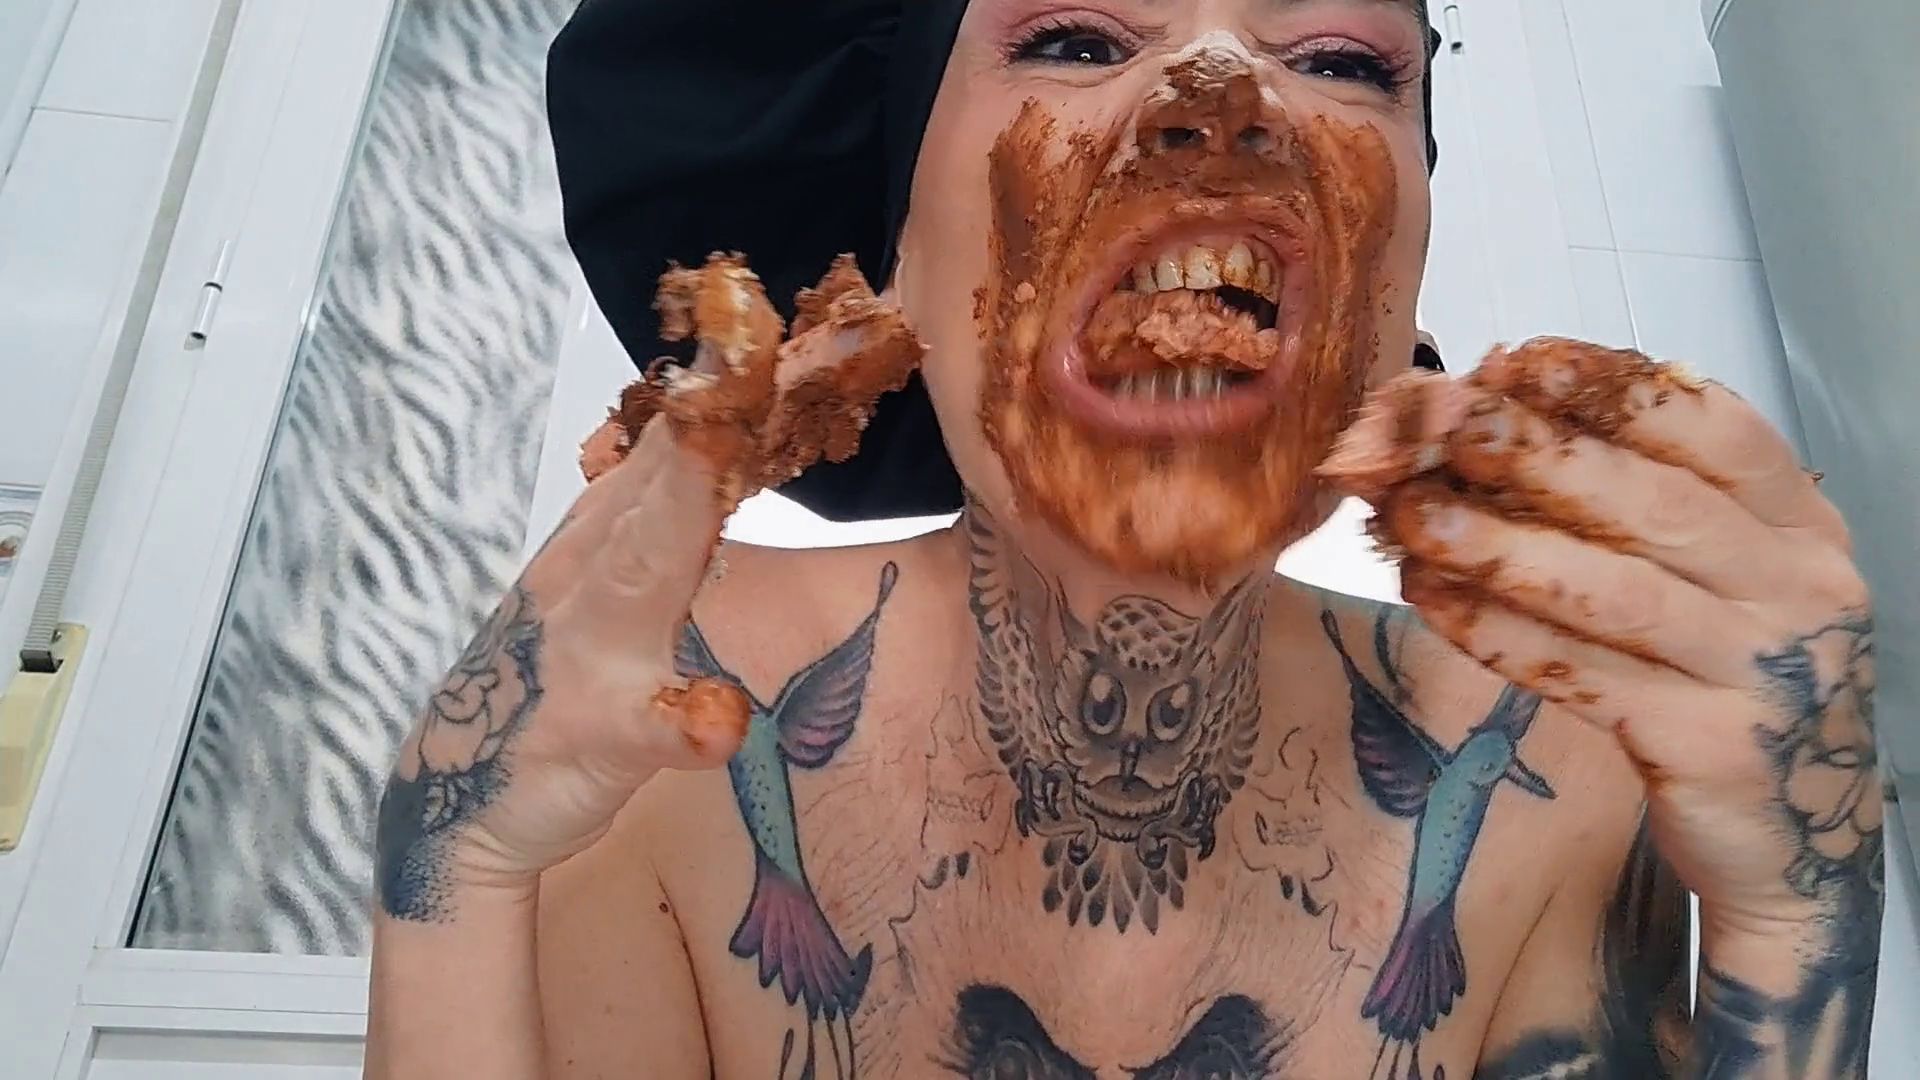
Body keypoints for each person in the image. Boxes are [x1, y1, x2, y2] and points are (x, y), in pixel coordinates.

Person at [363, 1, 1885, 1077]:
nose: (1224, 94)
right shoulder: (653, 731)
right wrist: (452, 873)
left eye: (1342, 61)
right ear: (894, 254)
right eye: (1077, 38)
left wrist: (1798, 911)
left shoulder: (1551, 775)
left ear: (1396, 300)